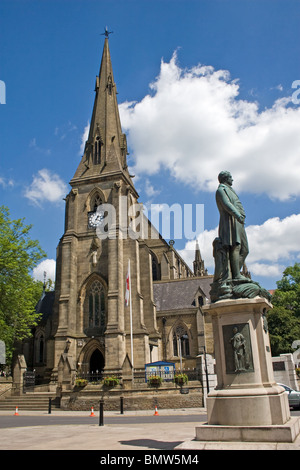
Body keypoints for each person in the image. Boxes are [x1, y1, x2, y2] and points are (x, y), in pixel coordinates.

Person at [216, 171, 249, 280]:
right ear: (225, 178)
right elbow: (227, 204)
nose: (232, 179)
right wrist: (238, 215)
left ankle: (233, 273)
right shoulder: (221, 190)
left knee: (245, 250)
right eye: (230, 177)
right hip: (230, 220)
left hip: (238, 222)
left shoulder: (230, 190)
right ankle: (235, 275)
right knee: (235, 246)